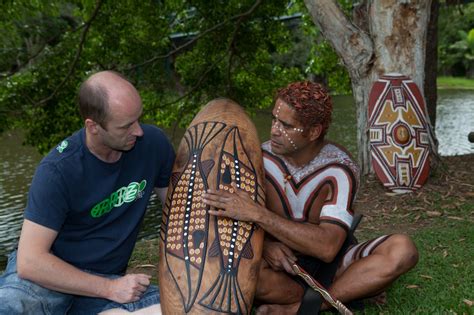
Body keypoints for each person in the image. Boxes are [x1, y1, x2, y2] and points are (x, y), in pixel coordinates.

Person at [203, 81, 419, 314]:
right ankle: (354, 289)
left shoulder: (339, 169)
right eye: (274, 120)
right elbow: (224, 219)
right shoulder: (257, 160)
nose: (274, 130)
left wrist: (259, 214)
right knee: (235, 270)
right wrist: (264, 245)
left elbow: (328, 247)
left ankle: (300, 308)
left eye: (286, 125)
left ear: (314, 131)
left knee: (402, 250)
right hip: (278, 267)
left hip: (334, 265)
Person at [0, 71, 174, 314]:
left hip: (106, 283)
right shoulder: (58, 171)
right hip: (47, 279)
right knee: (9, 308)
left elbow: (178, 212)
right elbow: (30, 263)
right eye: (126, 126)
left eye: (138, 119)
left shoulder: (153, 145)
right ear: (93, 126)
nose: (138, 131)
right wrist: (110, 288)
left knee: (184, 308)